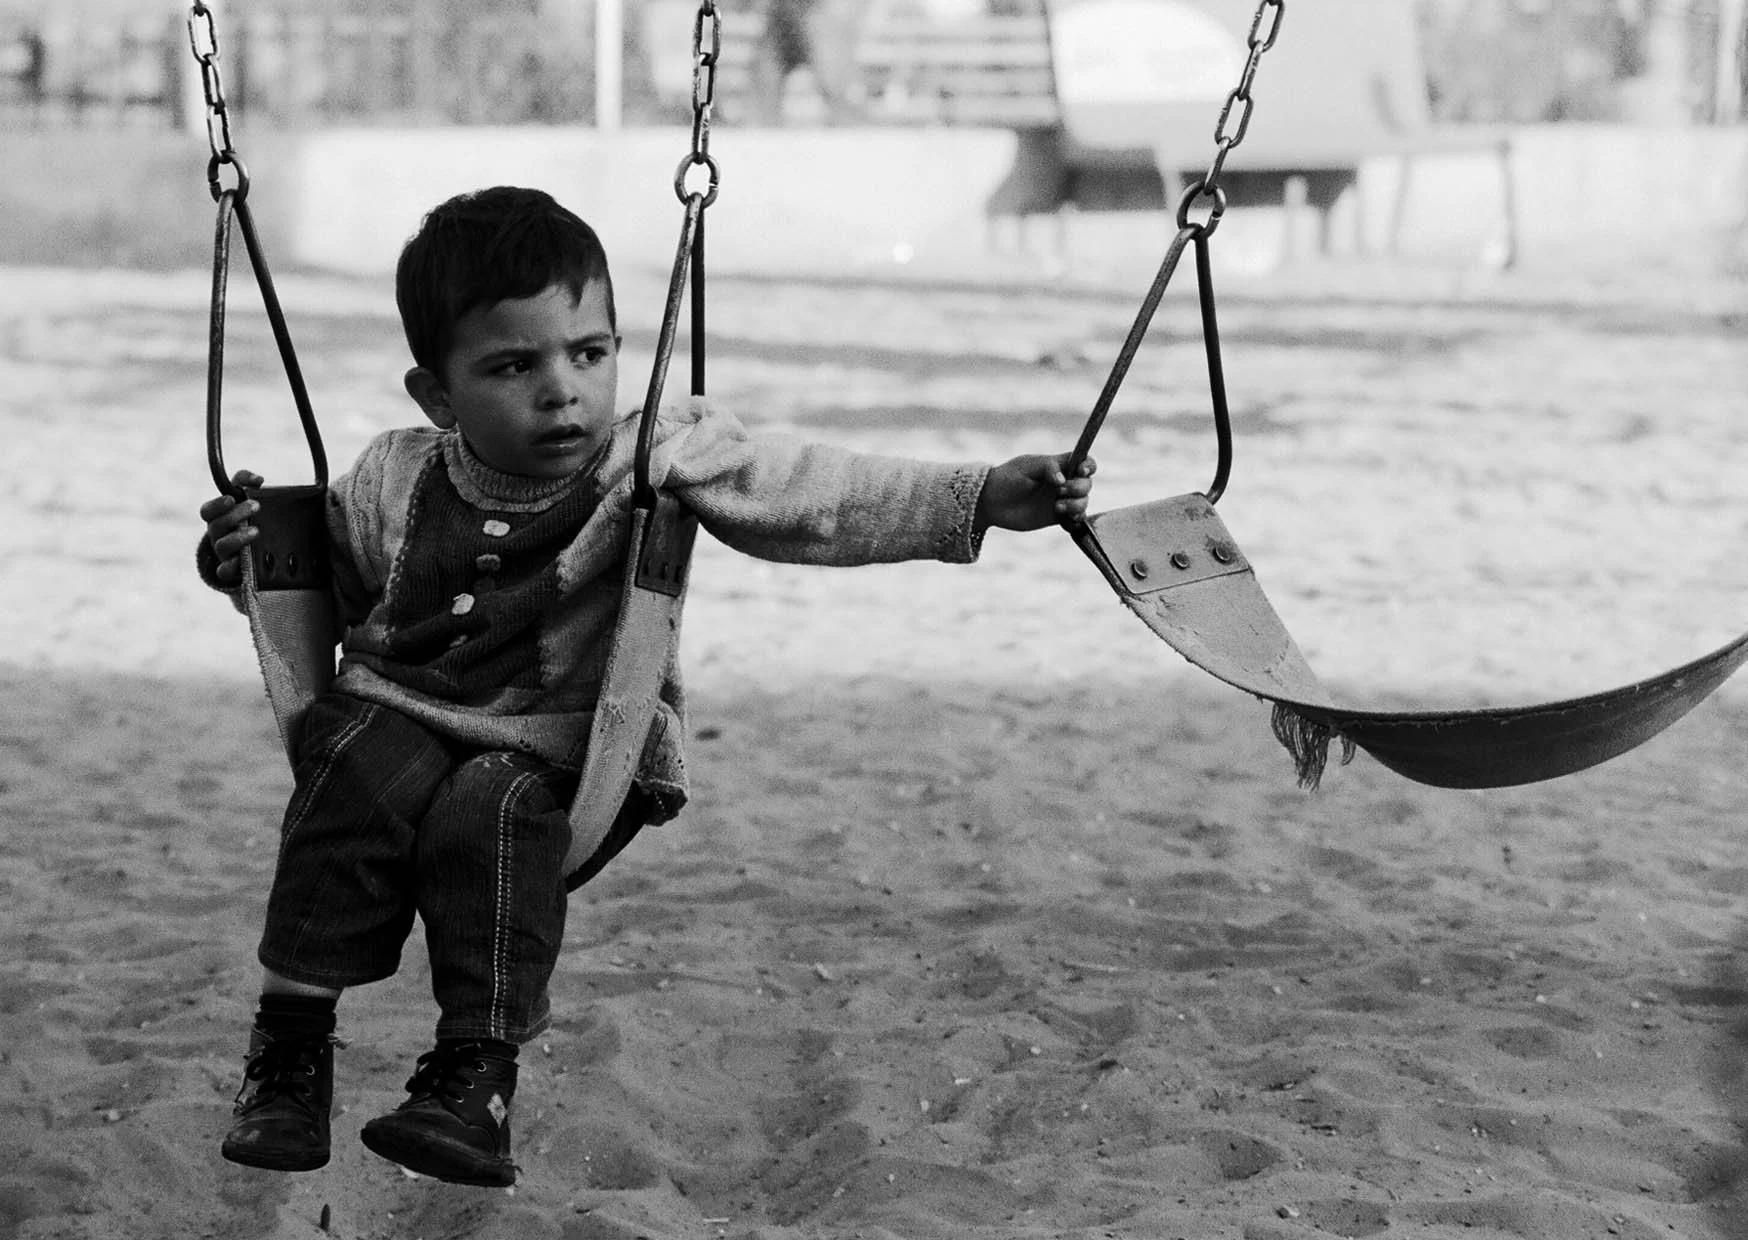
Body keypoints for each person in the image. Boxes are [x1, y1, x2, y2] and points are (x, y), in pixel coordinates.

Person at [197, 185, 1095, 1188]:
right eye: (512, 365)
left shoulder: (649, 460)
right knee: (351, 756)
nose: (562, 390)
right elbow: (326, 584)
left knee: (484, 811)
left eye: (588, 352)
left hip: (571, 751)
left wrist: (973, 497)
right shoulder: (391, 477)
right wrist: (240, 558)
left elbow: (813, 495)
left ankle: (471, 1079)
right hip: (401, 718)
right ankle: (289, 1052)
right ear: (437, 397)